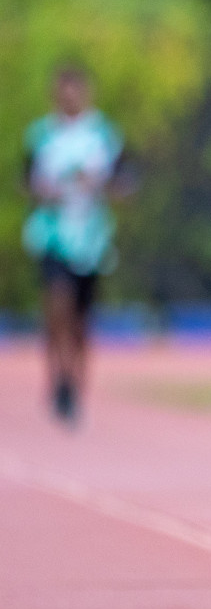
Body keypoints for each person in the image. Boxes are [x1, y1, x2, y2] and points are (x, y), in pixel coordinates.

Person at [22, 65, 129, 426]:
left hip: (92, 239)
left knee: (81, 320)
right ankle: (58, 380)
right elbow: (26, 182)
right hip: (52, 236)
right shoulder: (41, 135)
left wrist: (98, 185)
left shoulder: (104, 135)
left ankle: (76, 385)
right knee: (57, 306)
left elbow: (125, 182)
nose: (69, 97)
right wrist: (44, 192)